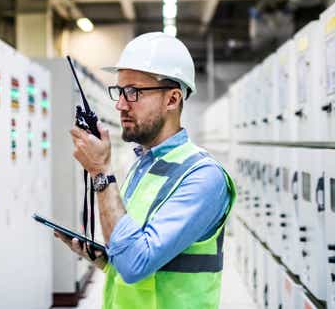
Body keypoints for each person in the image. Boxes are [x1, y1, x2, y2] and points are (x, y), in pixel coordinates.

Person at [55, 32, 236, 308]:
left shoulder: (203, 177)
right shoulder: (144, 164)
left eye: (133, 92)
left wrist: (101, 172)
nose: (120, 104)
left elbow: (135, 265)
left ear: (172, 99)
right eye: (119, 91)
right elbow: (136, 256)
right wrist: (106, 259)